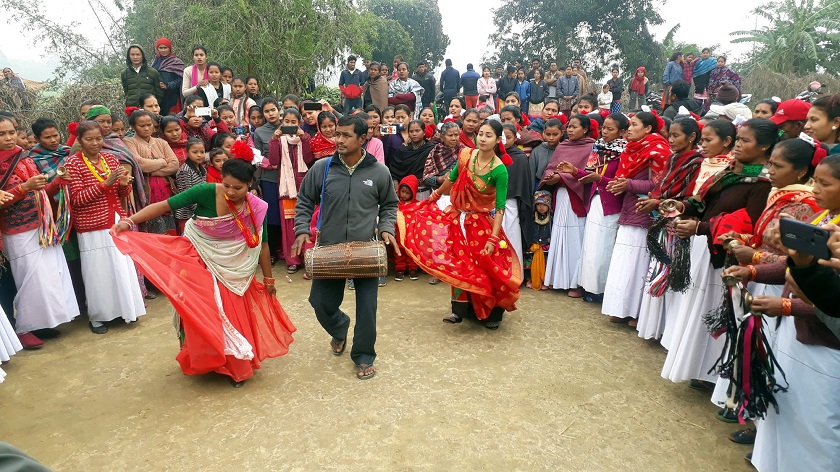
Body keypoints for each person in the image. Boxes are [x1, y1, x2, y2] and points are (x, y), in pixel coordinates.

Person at [112, 158, 296, 386]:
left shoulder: (257, 207)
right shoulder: (204, 191)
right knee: (201, 309)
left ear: (250, 184)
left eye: (237, 188)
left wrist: (268, 278)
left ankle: (233, 364)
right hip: (198, 259)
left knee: (231, 311)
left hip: (235, 270)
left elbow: (263, 245)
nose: (230, 192)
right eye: (226, 185)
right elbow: (165, 206)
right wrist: (130, 221)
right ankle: (208, 359)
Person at [661, 118, 776, 387]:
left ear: (765, 146)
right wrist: (681, 207)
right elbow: (705, 205)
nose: (738, 146)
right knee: (701, 309)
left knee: (719, 311)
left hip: (729, 257)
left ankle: (713, 375)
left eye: (745, 141)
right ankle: (697, 369)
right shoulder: (727, 173)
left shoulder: (762, 183)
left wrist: (700, 227)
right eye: (738, 140)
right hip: (707, 249)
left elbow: (750, 223)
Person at [744, 154, 840, 472]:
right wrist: (754, 273)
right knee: (790, 415)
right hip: (799, 336)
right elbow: (797, 265)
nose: (814, 189)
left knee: (818, 428)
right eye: (815, 181)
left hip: (825, 347)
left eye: (824, 184)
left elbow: (830, 302)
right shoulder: (826, 221)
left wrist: (785, 305)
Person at [292, 114, 398, 380]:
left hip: (366, 251)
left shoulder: (379, 172)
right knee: (320, 303)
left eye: (345, 135)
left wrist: (386, 228)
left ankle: (363, 356)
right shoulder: (322, 168)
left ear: (363, 139)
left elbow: (389, 205)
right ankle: (339, 328)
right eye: (337, 134)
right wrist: (302, 229)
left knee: (367, 308)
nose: (338, 139)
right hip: (330, 248)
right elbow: (304, 200)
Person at [401, 120, 521, 330]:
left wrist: (493, 238)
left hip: (483, 224)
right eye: (480, 134)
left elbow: (500, 207)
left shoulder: (499, 171)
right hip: (458, 219)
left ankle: (492, 311)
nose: (483, 138)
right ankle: (459, 311)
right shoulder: (467, 155)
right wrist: (434, 197)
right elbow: (453, 178)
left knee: (486, 266)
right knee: (459, 263)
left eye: (488, 135)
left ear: (497, 140)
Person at [0, 116, 79, 349]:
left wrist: (58, 183)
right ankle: (24, 327)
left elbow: (41, 190)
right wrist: (24, 188)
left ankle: (42, 322)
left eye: (12, 132)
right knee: (29, 278)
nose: (8, 138)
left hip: (42, 223)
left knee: (49, 274)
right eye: (2, 134)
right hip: (17, 228)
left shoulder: (23, 157)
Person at [65, 121, 145, 334]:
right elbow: (77, 199)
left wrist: (124, 184)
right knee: (97, 272)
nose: (95, 143)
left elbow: (122, 193)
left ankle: (127, 309)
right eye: (89, 139)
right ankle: (99, 316)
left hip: (116, 219)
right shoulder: (73, 163)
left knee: (121, 266)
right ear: (79, 141)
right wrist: (105, 183)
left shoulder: (110, 158)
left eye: (98, 138)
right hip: (92, 226)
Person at [599, 112, 672, 319]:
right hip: (629, 208)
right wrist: (620, 184)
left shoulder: (658, 150)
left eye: (634, 125)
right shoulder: (631, 149)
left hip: (645, 211)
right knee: (624, 262)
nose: (629, 129)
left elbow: (659, 185)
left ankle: (634, 312)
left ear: (648, 129)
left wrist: (628, 184)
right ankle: (620, 309)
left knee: (638, 262)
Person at [571, 113, 629, 301]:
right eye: (604, 127)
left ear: (622, 132)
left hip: (611, 203)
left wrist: (599, 179)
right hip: (596, 201)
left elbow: (620, 182)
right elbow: (589, 174)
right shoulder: (598, 148)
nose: (605, 132)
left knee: (604, 247)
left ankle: (601, 290)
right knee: (590, 246)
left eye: (610, 129)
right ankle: (588, 286)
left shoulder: (625, 153)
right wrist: (573, 171)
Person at [539, 115, 598, 296]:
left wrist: (562, 176)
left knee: (575, 238)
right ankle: (555, 278)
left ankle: (575, 283)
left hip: (576, 196)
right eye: (568, 126)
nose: (570, 130)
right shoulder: (563, 146)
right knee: (558, 235)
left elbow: (589, 173)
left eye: (574, 127)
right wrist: (551, 176)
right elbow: (551, 167)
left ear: (585, 129)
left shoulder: (592, 148)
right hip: (562, 194)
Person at [258, 108, 314, 272]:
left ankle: (308, 257)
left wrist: (303, 138)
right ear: (282, 123)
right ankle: (293, 260)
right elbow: (274, 161)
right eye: (287, 122)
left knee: (306, 222)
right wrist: (275, 139)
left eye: (293, 122)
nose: (290, 125)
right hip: (286, 189)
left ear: (299, 123)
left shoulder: (306, 137)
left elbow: (309, 159)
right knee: (289, 225)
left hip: (304, 187)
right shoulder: (277, 139)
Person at [123, 110, 180, 235]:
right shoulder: (129, 142)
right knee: (154, 228)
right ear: (133, 127)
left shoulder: (161, 142)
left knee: (171, 226)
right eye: (142, 126)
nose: (147, 128)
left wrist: (152, 171)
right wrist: (163, 161)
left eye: (149, 125)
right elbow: (140, 164)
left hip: (167, 191)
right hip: (146, 193)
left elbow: (175, 165)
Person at [174, 138, 207, 232]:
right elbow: (186, 195)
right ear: (187, 153)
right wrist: (200, 211)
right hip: (186, 214)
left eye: (202, 152)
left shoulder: (202, 169)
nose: (199, 155)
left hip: (199, 211)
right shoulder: (185, 171)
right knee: (187, 238)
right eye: (195, 152)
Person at [422, 121, 462, 191]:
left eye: (456, 135)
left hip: (460, 191)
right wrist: (441, 179)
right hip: (441, 193)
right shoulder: (435, 152)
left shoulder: (463, 150)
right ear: (442, 137)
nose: (453, 138)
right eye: (450, 135)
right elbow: (426, 178)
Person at [394, 175, 420, 281]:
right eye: (402, 191)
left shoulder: (418, 205)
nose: (404, 195)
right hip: (399, 234)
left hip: (412, 235)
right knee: (399, 251)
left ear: (413, 193)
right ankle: (400, 269)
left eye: (407, 193)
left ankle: (412, 268)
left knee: (412, 251)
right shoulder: (395, 204)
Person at [121, 45, 163, 109]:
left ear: (142, 56)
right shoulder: (125, 73)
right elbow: (126, 91)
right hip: (132, 109)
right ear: (129, 56)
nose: (135, 57)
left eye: (138, 54)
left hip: (149, 109)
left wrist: (154, 106)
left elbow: (159, 92)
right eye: (132, 54)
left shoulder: (152, 72)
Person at [150, 38, 185, 115]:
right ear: (157, 49)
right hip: (157, 97)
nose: (163, 50)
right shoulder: (155, 62)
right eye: (160, 48)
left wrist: (168, 85)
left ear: (169, 48)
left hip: (171, 97)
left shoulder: (176, 62)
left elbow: (182, 79)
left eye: (165, 48)